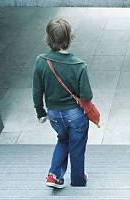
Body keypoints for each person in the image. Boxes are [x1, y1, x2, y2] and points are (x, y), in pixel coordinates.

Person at [33, 18, 92, 188]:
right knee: (77, 145)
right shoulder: (79, 65)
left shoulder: (41, 61)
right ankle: (78, 180)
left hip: (54, 114)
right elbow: (87, 95)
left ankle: (54, 176)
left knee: (63, 140)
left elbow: (37, 90)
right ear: (69, 37)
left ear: (48, 38)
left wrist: (40, 112)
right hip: (75, 114)